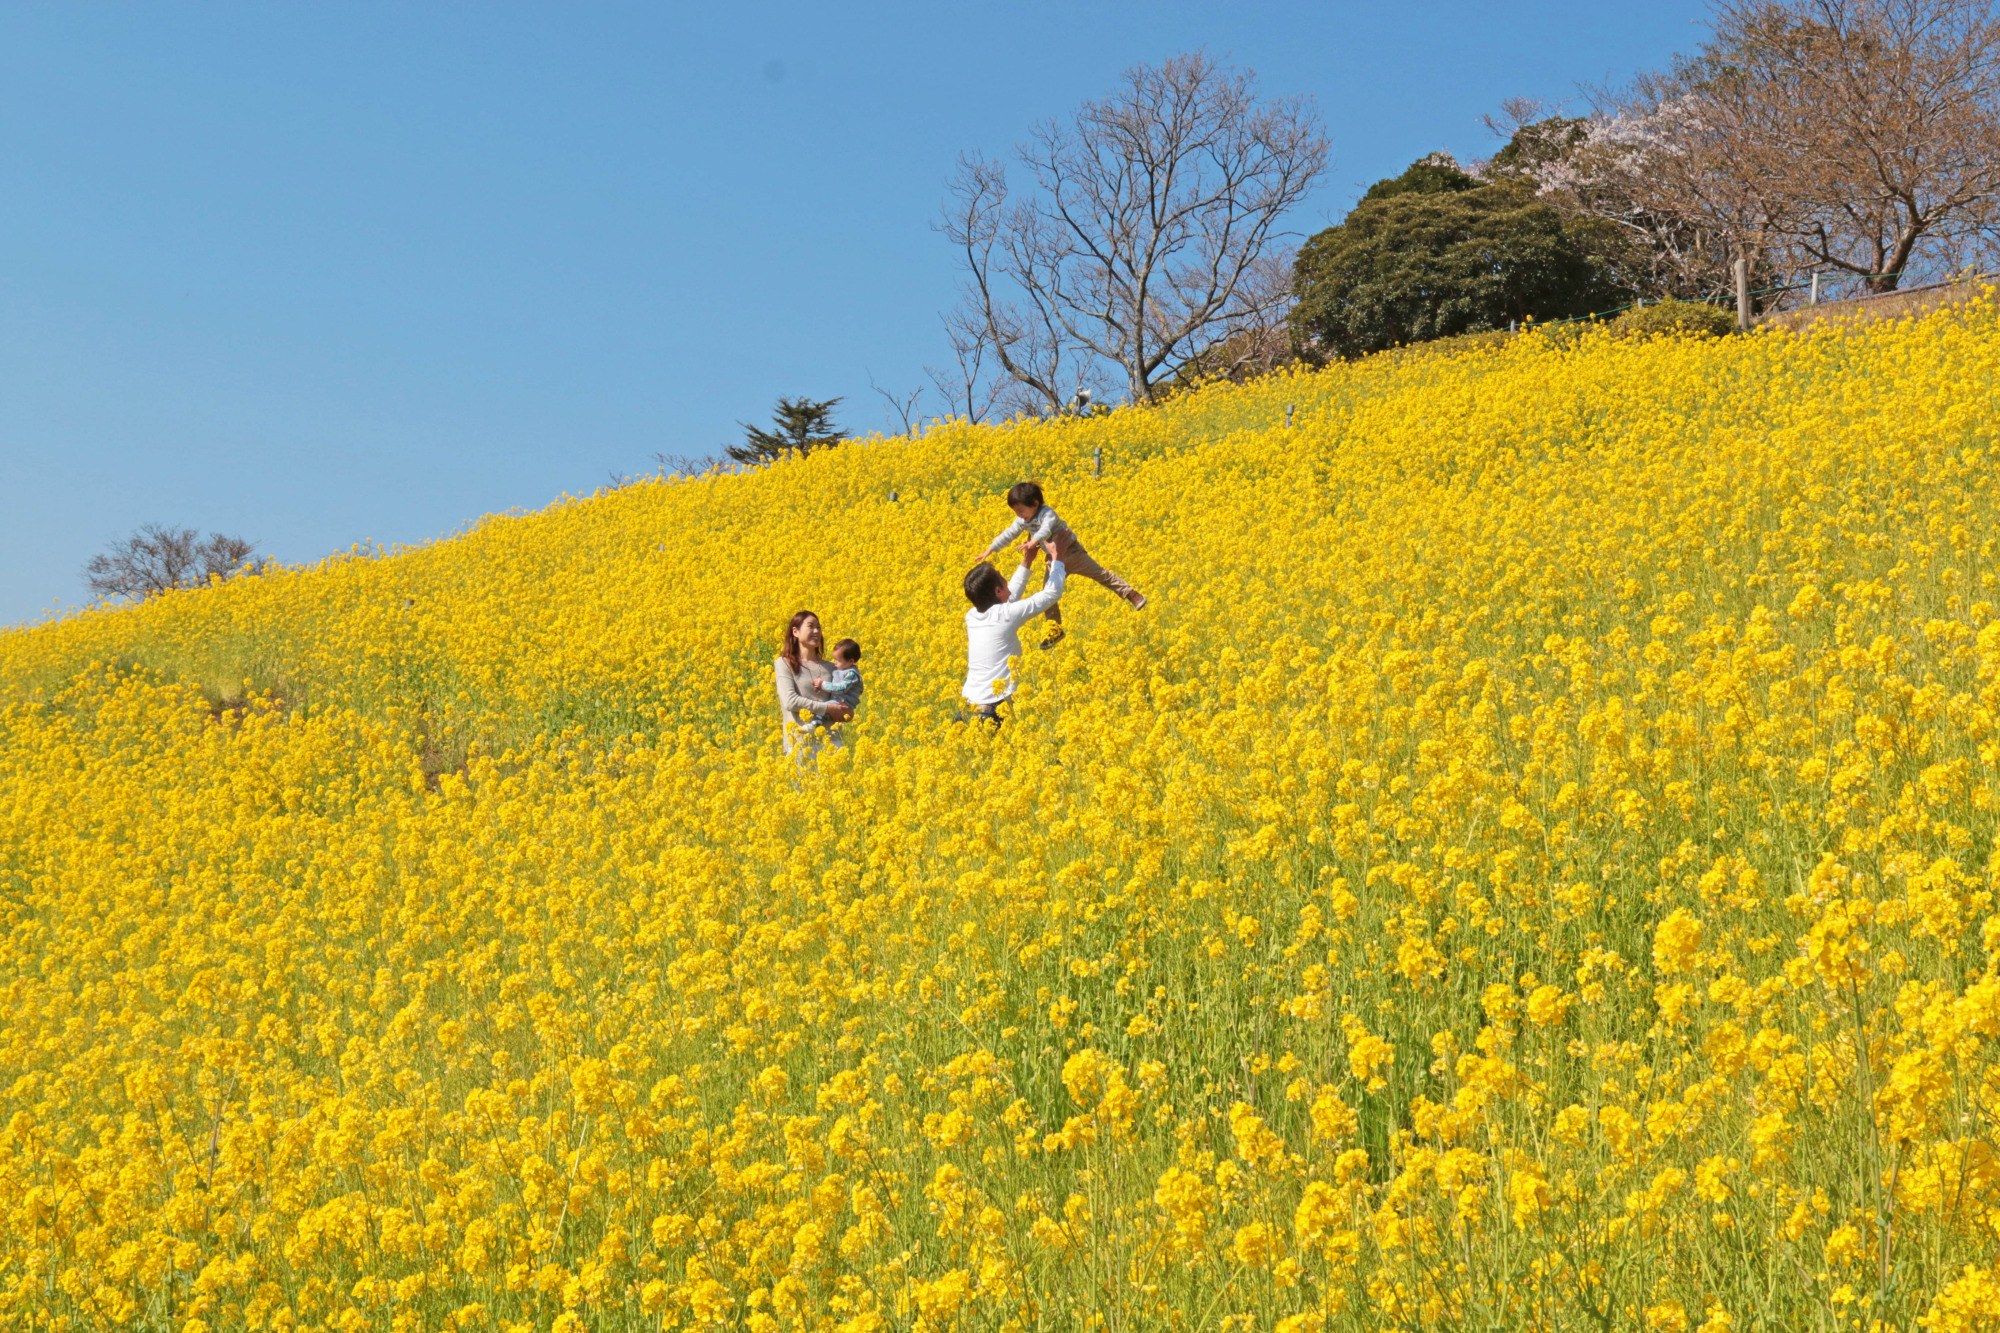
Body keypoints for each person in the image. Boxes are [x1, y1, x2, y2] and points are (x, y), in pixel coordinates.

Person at [973, 480, 1144, 649]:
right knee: (1048, 596)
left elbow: (1046, 529)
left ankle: (1131, 594)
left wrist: (1034, 542)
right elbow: (1008, 534)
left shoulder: (1048, 513)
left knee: (1101, 575)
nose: (1019, 516)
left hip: (1072, 553)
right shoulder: (1022, 521)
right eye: (1016, 512)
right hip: (1052, 561)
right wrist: (991, 549)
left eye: (1020, 511)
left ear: (1035, 503)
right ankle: (1054, 629)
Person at [961, 537, 1066, 724]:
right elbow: (1051, 594)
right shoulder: (1004, 615)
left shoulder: (972, 616)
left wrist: (1027, 561)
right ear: (997, 591)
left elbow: (1007, 601)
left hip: (967, 709)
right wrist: (1057, 557)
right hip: (991, 712)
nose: (1006, 580)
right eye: (1002, 578)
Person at [773, 610, 854, 755]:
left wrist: (846, 711)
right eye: (811, 626)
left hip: (831, 743)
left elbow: (845, 707)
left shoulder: (832, 668)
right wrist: (827, 708)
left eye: (819, 627)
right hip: (800, 743)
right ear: (795, 631)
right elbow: (789, 701)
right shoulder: (785, 663)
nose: (816, 631)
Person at [821, 639, 864, 717]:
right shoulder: (841, 669)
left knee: (821, 708)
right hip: (838, 700)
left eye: (838, 660)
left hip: (844, 703)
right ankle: (815, 723)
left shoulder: (852, 674)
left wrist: (822, 684)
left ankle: (812, 725)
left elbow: (841, 688)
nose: (834, 662)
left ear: (850, 661)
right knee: (824, 713)